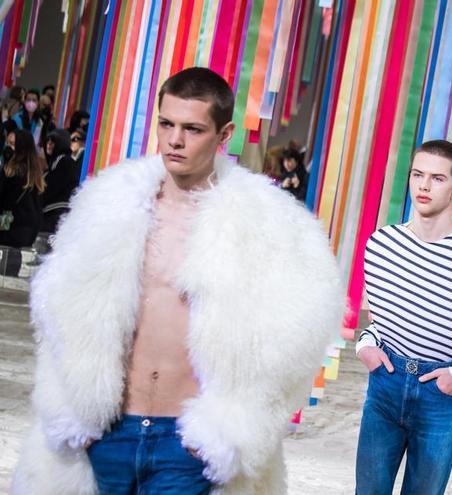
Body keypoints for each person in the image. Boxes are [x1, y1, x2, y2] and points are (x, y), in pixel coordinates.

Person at [12, 67, 344, 494]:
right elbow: (58, 307)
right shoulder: (108, 206)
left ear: (223, 136)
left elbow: (300, 334)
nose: (175, 140)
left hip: (188, 445)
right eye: (166, 124)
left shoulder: (265, 225)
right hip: (104, 434)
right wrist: (72, 406)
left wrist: (234, 428)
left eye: (192, 129)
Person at [355, 139, 452, 495]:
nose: (423, 186)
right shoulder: (381, 244)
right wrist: (365, 345)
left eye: (437, 179)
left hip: (441, 391)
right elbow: (382, 319)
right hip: (386, 383)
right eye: (417, 175)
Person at [0, 129, 44, 248]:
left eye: (12, 144)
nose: (8, 148)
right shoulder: (33, 174)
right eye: (7, 143)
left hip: (11, 229)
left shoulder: (12, 172)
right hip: (29, 232)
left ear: (22, 148)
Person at [39, 129, 80, 234]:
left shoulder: (64, 161)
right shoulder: (57, 162)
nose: (49, 144)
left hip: (56, 215)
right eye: (47, 141)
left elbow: (51, 188)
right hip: (54, 215)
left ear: (61, 143)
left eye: (53, 141)